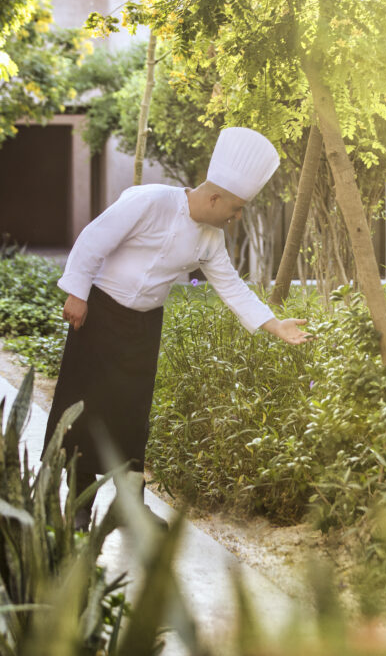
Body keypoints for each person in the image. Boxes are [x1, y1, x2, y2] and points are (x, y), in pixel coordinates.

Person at [42, 127, 310, 529]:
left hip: (143, 327)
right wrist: (77, 293)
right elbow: (93, 239)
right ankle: (78, 504)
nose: (236, 218)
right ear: (215, 197)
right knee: (84, 411)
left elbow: (231, 287)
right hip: (98, 315)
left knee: (133, 417)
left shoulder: (211, 238)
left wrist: (274, 325)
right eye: (235, 209)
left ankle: (129, 507)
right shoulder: (150, 201)